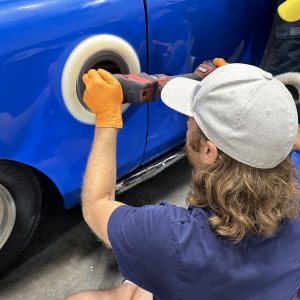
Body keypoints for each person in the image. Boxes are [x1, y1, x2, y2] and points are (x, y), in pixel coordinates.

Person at [66, 63, 300, 300]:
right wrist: (243, 92)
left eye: (192, 119)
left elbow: (97, 204)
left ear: (209, 151)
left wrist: (106, 117)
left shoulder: (175, 239)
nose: (187, 122)